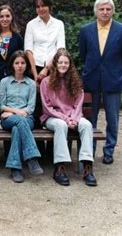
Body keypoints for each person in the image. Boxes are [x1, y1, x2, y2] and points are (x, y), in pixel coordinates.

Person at [79, 0, 122, 165]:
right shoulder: (85, 30)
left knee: (112, 118)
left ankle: (109, 151)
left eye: (108, 9)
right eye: (101, 9)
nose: (105, 12)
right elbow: (83, 54)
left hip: (113, 79)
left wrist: (115, 70)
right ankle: (90, 151)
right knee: (89, 119)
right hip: (91, 79)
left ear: (113, 11)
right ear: (96, 11)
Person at [40, 49, 97, 186]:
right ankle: (60, 168)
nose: (63, 65)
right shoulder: (46, 82)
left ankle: (87, 167)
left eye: (66, 62)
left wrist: (74, 119)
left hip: (73, 116)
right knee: (61, 125)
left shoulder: (75, 82)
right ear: (55, 64)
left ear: (70, 65)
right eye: (60, 62)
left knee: (87, 125)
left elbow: (78, 104)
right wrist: (66, 119)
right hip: (52, 117)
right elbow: (47, 108)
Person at [0, 51, 43, 183]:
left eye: (23, 63)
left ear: (26, 65)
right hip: (8, 119)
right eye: (17, 63)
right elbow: (1, 105)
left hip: (26, 118)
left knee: (18, 128)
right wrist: (15, 112)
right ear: (12, 65)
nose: (20, 66)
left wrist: (15, 113)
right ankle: (32, 158)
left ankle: (15, 168)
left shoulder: (31, 84)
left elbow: (30, 108)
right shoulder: (4, 82)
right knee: (19, 121)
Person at [24, 0, 65, 84]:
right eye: (38, 7)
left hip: (54, 66)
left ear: (49, 6)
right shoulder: (31, 25)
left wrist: (46, 69)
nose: (41, 9)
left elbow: (60, 49)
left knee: (53, 97)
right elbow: (28, 50)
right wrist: (35, 75)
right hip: (35, 67)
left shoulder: (59, 24)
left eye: (43, 6)